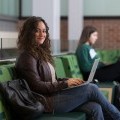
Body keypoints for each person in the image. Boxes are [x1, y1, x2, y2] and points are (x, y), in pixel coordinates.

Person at [15, 16, 120, 120]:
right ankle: (117, 116)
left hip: (53, 96)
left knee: (95, 107)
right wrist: (65, 84)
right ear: (29, 32)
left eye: (44, 31)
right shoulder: (26, 56)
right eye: (37, 31)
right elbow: (36, 86)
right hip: (45, 103)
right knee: (91, 88)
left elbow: (52, 80)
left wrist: (68, 80)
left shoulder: (41, 54)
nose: (42, 34)